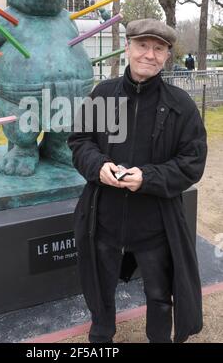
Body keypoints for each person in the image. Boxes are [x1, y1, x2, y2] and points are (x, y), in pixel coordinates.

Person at [68, 18, 207, 344]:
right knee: (101, 295)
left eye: (159, 49)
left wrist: (148, 177)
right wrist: (98, 166)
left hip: (156, 226)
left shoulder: (180, 105)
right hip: (104, 221)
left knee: (160, 297)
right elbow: (79, 142)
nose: (150, 54)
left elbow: (192, 162)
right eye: (143, 45)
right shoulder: (102, 95)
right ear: (128, 48)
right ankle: (101, 339)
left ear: (167, 55)